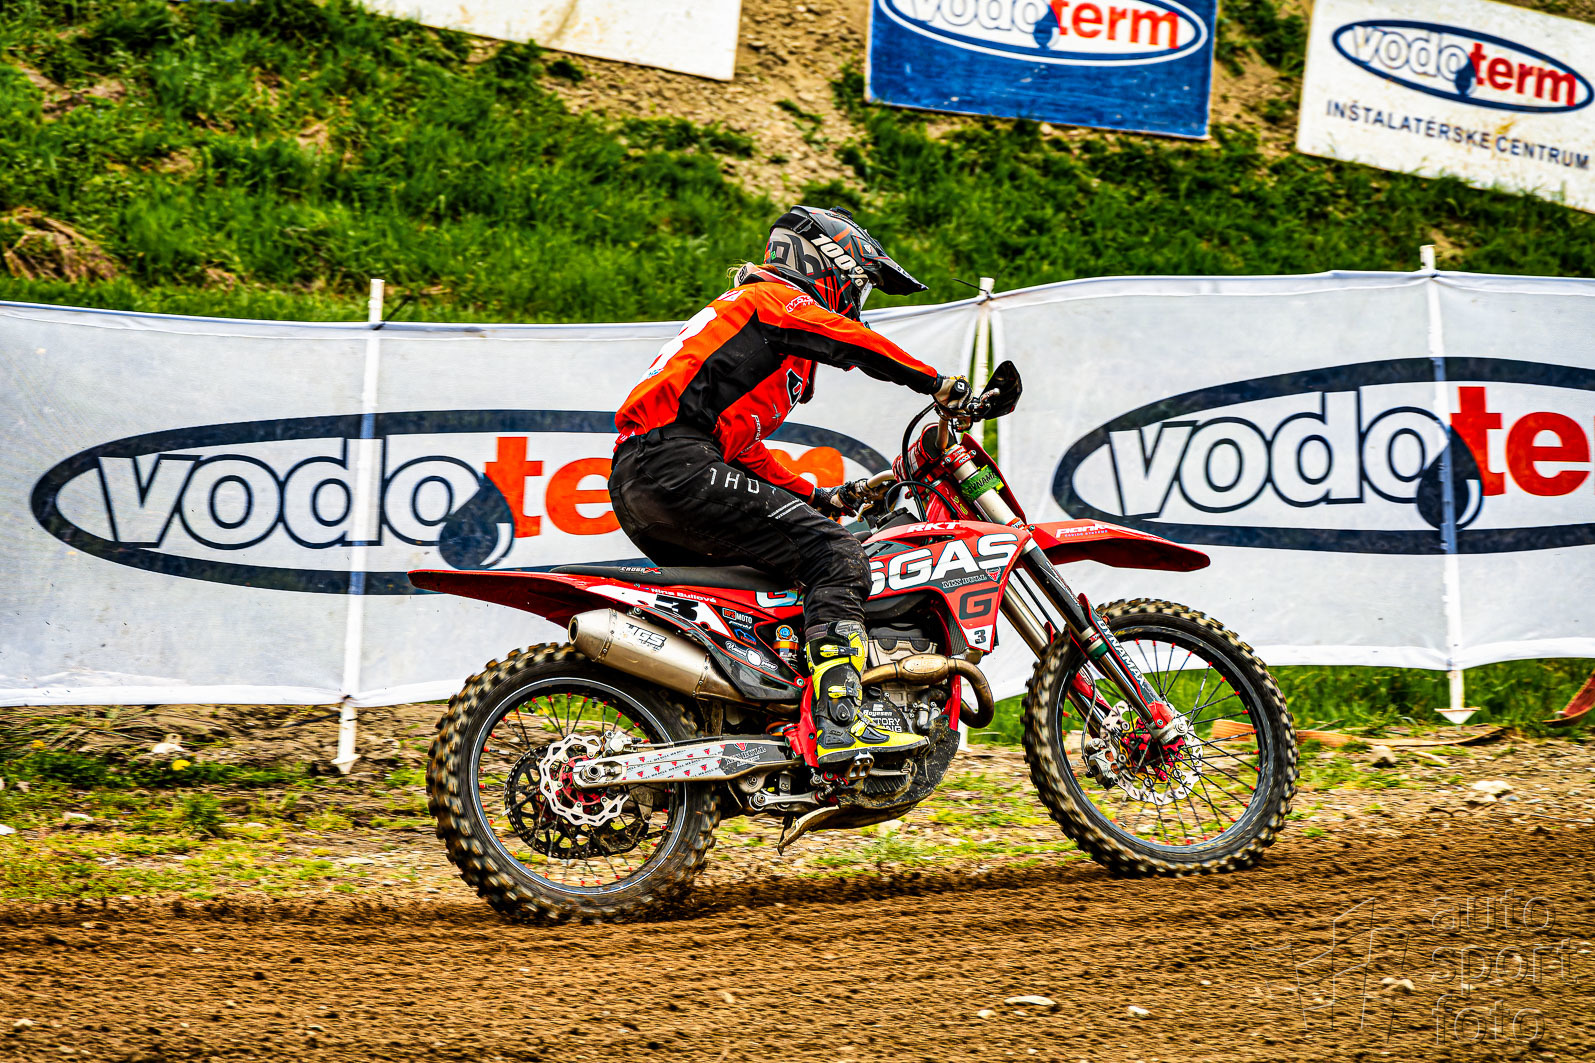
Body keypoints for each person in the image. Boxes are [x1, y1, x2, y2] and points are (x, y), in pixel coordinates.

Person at [609, 205, 969, 768]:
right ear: (828, 264)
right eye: (858, 285)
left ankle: (760, 721)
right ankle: (841, 721)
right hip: (672, 465)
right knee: (836, 554)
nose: (857, 302)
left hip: (653, 473)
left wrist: (818, 496)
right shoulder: (771, 299)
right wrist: (937, 383)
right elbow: (848, 339)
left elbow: (742, 446)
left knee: (778, 580)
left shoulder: (750, 323)